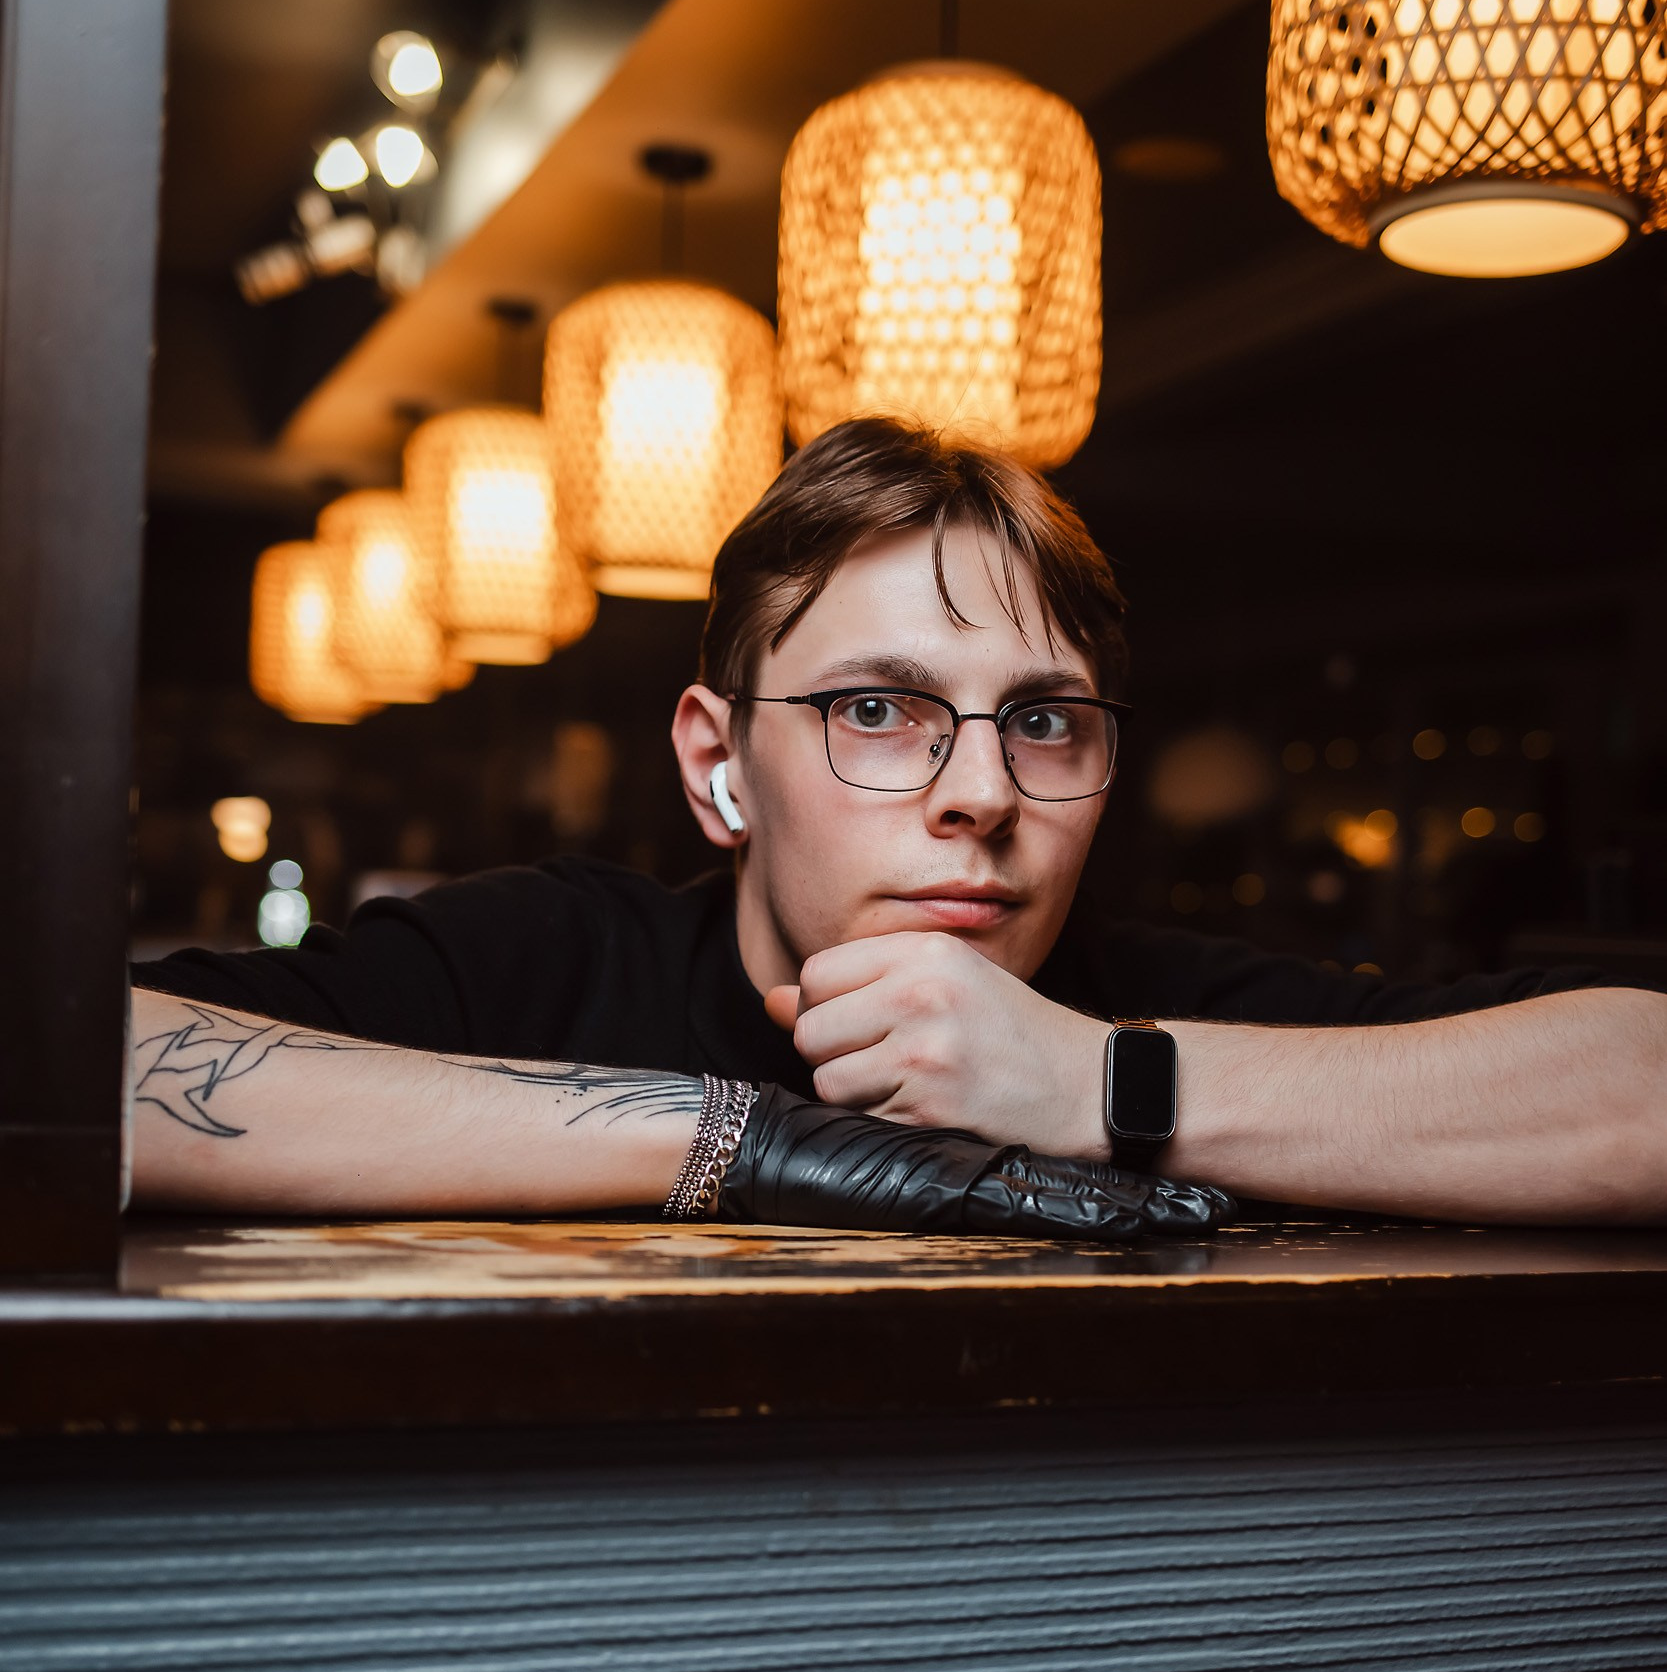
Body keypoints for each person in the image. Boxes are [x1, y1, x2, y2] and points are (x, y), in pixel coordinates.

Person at [130, 418, 1666, 1233]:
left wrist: (1100, 1083)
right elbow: (89, 1071)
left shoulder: (1144, 999)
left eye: (1044, 720)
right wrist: (741, 1138)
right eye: (879, 707)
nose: (982, 791)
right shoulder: (553, 955)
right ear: (720, 767)